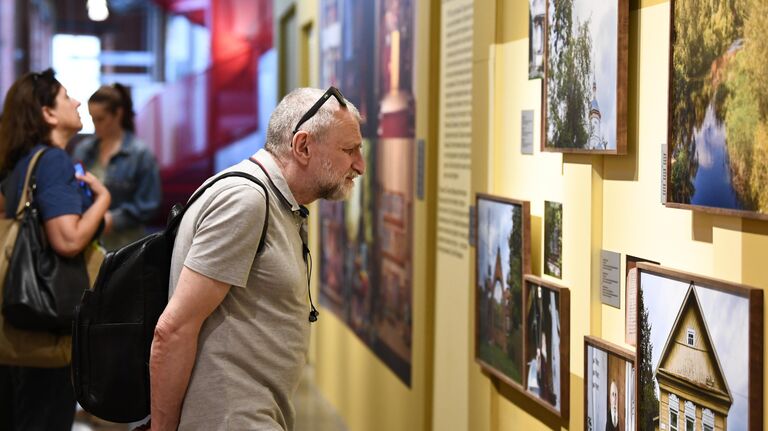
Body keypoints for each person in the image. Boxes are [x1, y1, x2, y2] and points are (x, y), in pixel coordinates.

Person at [145, 86, 364, 430]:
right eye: (349, 150)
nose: (360, 165)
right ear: (303, 146)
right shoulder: (245, 202)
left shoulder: (274, 199)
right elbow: (172, 330)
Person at [0, 69, 111, 430]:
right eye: (67, 96)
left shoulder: (19, 164)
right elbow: (67, 240)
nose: (78, 102)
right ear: (48, 114)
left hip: (16, 332)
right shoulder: (52, 161)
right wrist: (102, 200)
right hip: (44, 335)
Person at [72, 83, 161, 250]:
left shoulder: (140, 154)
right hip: (89, 242)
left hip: (126, 246)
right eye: (92, 118)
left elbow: (149, 203)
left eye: (100, 119)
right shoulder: (83, 150)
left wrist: (113, 219)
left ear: (118, 114)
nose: (95, 125)